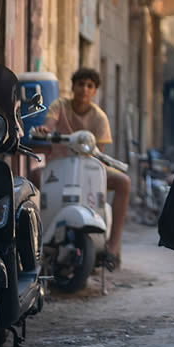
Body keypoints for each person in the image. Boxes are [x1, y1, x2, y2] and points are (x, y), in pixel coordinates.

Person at [33, 67, 130, 269]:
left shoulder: (99, 117)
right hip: (59, 167)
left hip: (89, 170)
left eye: (89, 86)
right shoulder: (60, 105)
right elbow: (49, 123)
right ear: (73, 86)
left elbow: (99, 153)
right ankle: (33, 235)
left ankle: (113, 247)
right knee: (32, 177)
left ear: (94, 91)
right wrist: (45, 129)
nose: (84, 89)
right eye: (80, 84)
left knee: (123, 182)